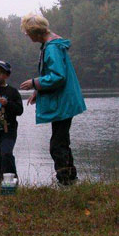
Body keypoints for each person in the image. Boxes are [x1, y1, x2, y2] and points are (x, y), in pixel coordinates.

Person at [19, 13, 86, 186]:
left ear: (36, 32)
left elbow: (58, 76)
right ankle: (71, 180)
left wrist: (35, 83)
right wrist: (39, 91)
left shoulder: (52, 48)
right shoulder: (51, 44)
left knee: (57, 145)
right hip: (65, 100)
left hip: (64, 102)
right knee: (62, 141)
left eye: (28, 32)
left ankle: (65, 182)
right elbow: (55, 76)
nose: (27, 36)